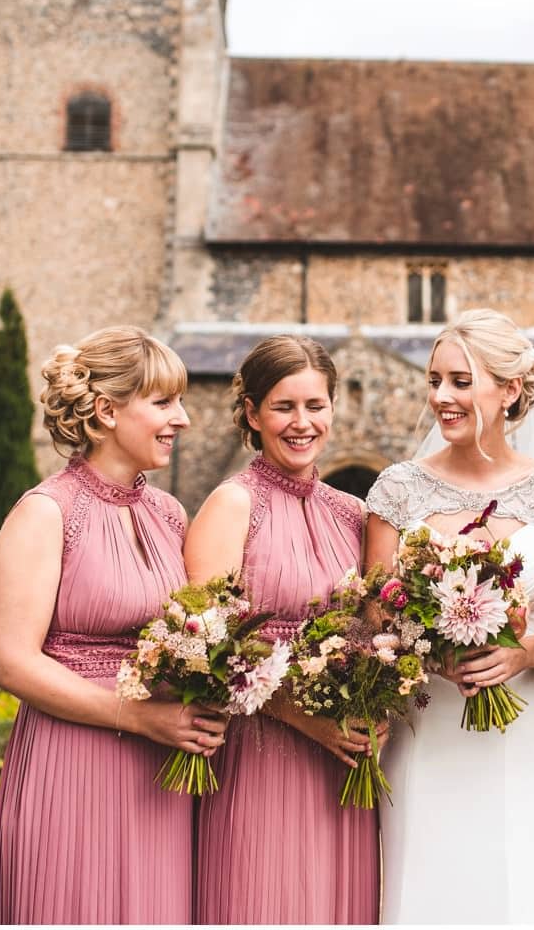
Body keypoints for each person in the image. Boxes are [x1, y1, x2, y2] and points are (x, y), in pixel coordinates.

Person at [363, 308, 534, 924]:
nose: (441, 397)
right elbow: (372, 611)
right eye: (435, 380)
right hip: (426, 728)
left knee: (525, 891)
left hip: (524, 730)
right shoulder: (396, 491)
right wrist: (424, 648)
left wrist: (526, 653)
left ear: (511, 391)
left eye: (460, 382)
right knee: (424, 891)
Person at [0, 326, 225, 924]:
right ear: (106, 410)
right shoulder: (46, 512)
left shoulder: (170, 514)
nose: (185, 419)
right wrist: (140, 717)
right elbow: (14, 662)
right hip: (73, 761)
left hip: (159, 771)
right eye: (164, 402)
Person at [185, 334, 381, 923]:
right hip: (261, 749)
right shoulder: (231, 504)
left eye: (315, 406)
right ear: (252, 413)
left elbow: (376, 633)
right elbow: (205, 645)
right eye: (284, 407)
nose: (302, 423)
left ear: (333, 407)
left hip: (344, 759)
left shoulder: (352, 514)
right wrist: (303, 716)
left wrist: (378, 708)